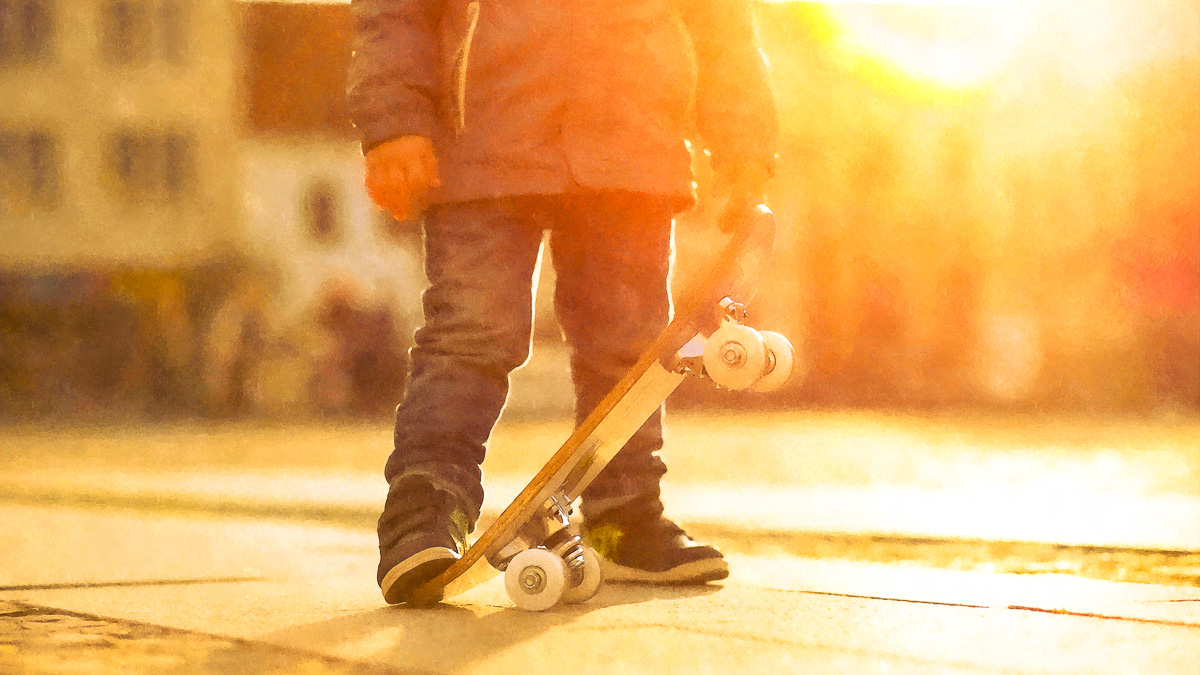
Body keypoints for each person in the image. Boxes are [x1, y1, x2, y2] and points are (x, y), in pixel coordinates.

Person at [348, 0, 778, 604]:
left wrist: (742, 140)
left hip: (630, 141)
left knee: (630, 350)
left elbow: (721, 21)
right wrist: (395, 122)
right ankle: (425, 507)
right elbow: (397, 11)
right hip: (480, 136)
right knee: (472, 333)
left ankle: (622, 517)